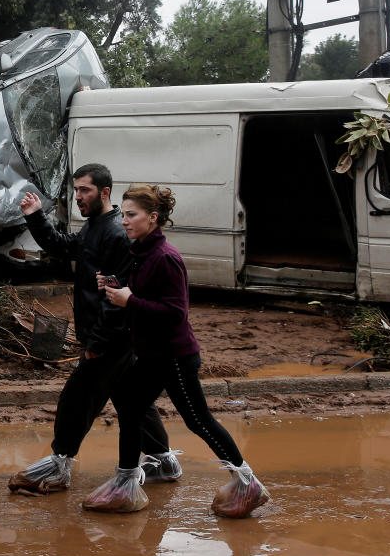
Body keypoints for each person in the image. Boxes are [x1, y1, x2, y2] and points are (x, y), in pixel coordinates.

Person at [86, 183, 270, 517]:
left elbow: (175, 313)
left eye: (131, 215)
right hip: (153, 355)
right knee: (128, 404)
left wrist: (130, 301)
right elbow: (140, 291)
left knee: (198, 420)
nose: (124, 221)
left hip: (173, 356)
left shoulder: (166, 258)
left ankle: (247, 482)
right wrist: (114, 285)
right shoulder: (140, 251)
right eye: (123, 214)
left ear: (152, 218)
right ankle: (126, 482)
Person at [8, 164, 182, 495]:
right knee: (131, 399)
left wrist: (96, 343)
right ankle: (163, 460)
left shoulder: (116, 233)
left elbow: (115, 299)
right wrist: (34, 216)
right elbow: (63, 246)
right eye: (75, 190)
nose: (78, 197)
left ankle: (59, 465)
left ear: (104, 193)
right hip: (107, 335)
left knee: (76, 397)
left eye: (84, 190)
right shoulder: (94, 227)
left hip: (111, 337)